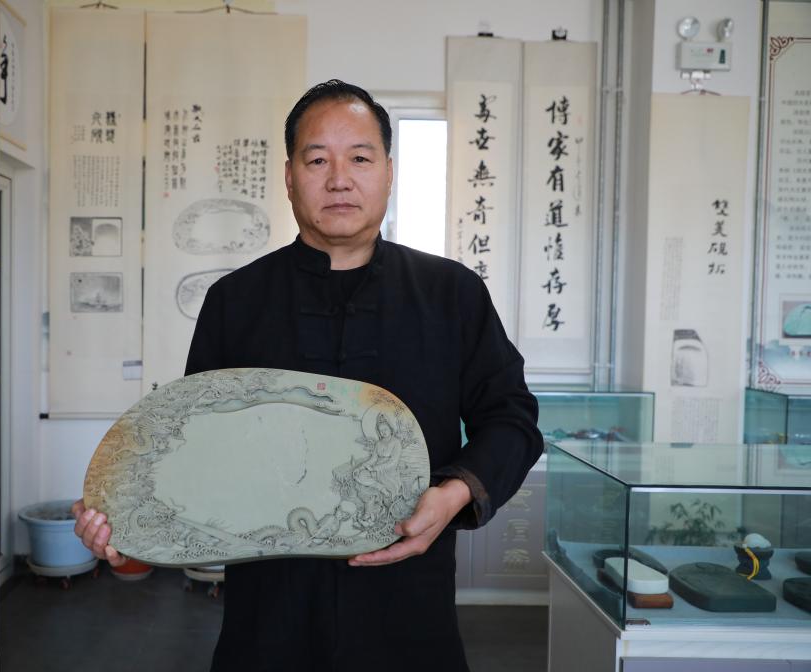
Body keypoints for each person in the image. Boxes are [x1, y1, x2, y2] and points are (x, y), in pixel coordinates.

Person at [73, 79, 543, 671]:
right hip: (269, 621)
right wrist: (126, 531)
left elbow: (511, 419)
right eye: (317, 159)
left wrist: (454, 495)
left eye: (360, 158)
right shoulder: (235, 301)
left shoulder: (452, 294)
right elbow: (194, 458)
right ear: (289, 177)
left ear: (389, 173)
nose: (339, 179)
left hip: (408, 613)